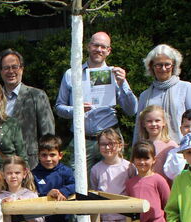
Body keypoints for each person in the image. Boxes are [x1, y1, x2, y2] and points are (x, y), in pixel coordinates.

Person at [55, 31, 138, 172]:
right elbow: (59, 107)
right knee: (78, 184)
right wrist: (76, 110)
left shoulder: (114, 74)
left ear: (108, 51)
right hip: (82, 138)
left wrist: (123, 83)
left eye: (103, 47)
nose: (99, 50)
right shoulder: (71, 74)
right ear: (88, 46)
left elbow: (132, 110)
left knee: (113, 182)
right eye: (95, 45)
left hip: (109, 138)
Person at [139, 105, 179, 222]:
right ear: (143, 124)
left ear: (163, 122)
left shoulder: (172, 145)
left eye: (157, 120)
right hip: (149, 200)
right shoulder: (141, 145)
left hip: (168, 196)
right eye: (149, 121)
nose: (153, 124)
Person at [0, 49, 55, 169]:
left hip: (31, 164)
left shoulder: (37, 95)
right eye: (6, 68)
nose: (11, 71)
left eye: (15, 67)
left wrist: (45, 163)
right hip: (0, 164)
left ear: (22, 69)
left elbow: (48, 134)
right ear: (1, 71)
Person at [134, 44, 191, 144]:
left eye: (167, 64)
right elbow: (138, 128)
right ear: (151, 67)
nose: (163, 68)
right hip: (152, 151)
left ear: (174, 65)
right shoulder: (145, 95)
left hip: (181, 149)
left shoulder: (186, 88)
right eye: (159, 65)